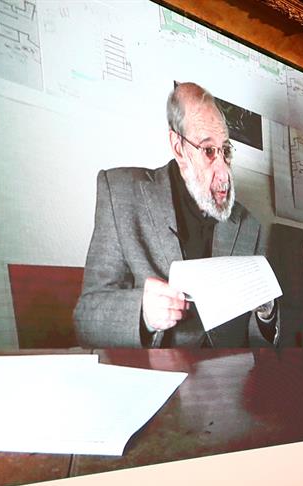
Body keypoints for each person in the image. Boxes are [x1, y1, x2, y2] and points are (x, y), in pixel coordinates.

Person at [75, 82, 277, 348]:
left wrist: (266, 314)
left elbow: (256, 342)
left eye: (226, 151)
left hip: (229, 379)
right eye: (208, 150)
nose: (224, 170)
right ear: (179, 147)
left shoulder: (251, 225)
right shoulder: (121, 193)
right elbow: (86, 320)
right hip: (155, 379)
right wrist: (142, 313)